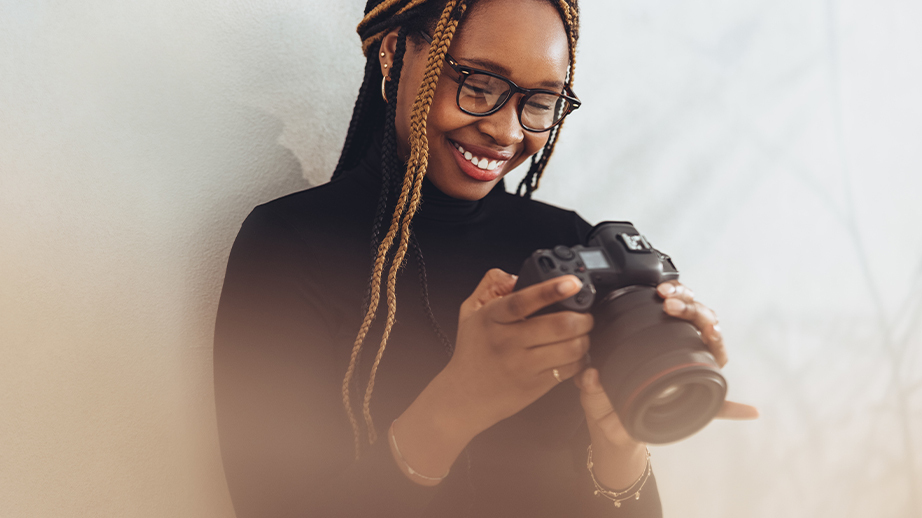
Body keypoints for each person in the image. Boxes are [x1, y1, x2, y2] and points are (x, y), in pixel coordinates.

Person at [213, 0, 758, 516]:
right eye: (479, 85)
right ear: (394, 50)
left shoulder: (571, 245)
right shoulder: (288, 246)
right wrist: (457, 404)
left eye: (541, 102)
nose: (507, 130)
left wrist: (621, 446)